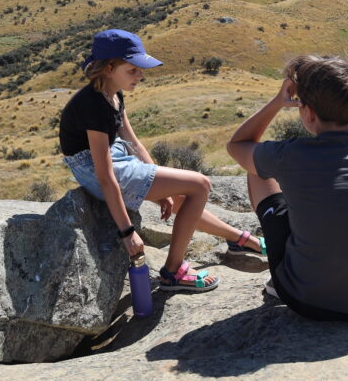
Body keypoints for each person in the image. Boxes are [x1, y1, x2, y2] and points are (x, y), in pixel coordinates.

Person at [60, 29, 265, 293]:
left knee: (181, 196)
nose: (141, 76)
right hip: (96, 168)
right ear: (109, 68)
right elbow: (104, 174)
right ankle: (173, 272)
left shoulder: (113, 94)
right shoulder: (93, 105)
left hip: (117, 157)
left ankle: (238, 239)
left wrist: (154, 177)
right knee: (200, 184)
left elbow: (134, 142)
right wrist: (127, 232)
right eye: (133, 70)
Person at [226, 55, 348, 320]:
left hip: (307, 301)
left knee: (257, 172)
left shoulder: (289, 154)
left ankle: (282, 280)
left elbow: (238, 145)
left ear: (308, 112)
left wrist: (278, 101)